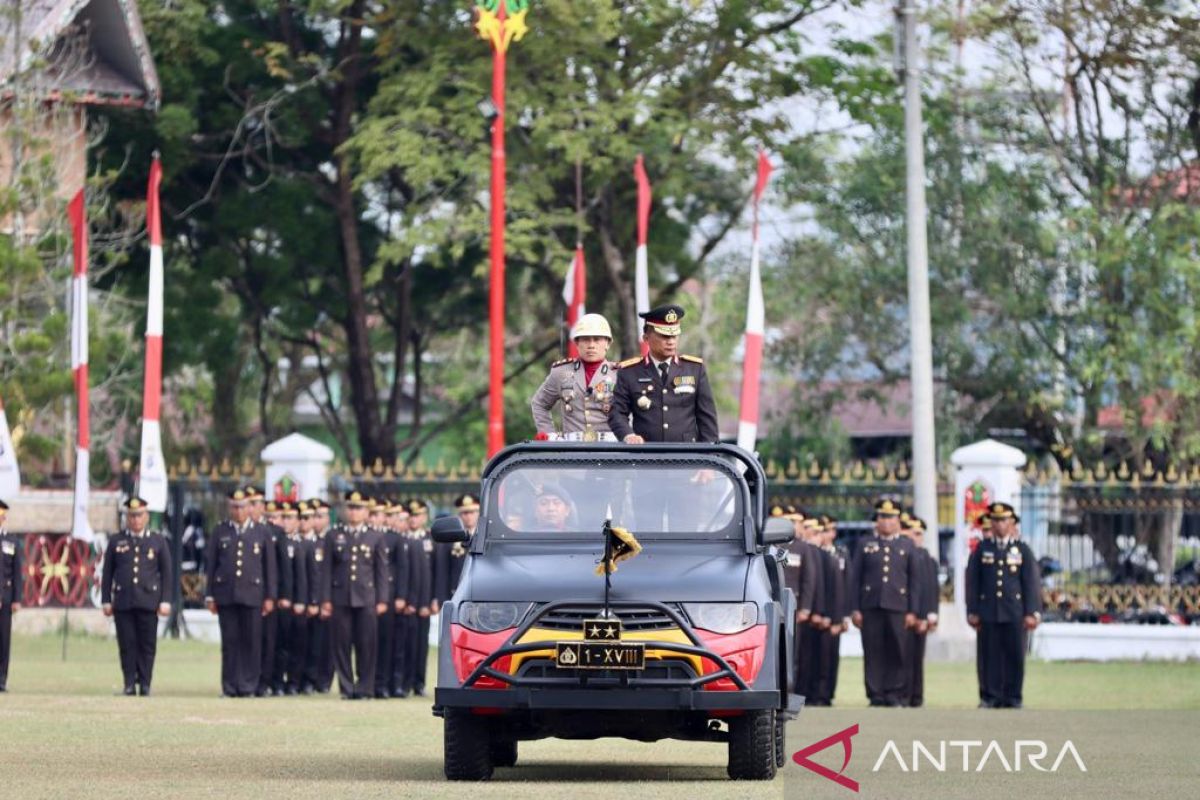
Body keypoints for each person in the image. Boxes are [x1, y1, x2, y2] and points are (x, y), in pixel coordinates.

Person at [608, 304, 718, 444]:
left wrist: (710, 459)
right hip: (646, 457)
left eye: (674, 335)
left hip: (687, 457)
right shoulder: (629, 372)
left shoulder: (694, 369)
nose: (671, 341)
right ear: (646, 338)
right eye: (664, 336)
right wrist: (628, 435)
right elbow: (617, 413)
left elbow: (707, 420)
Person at [967, 502, 1041, 709]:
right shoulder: (982, 549)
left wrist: (1032, 612)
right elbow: (973, 583)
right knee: (988, 657)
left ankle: (1013, 696)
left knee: (1015, 656)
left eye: (1003, 520)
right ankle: (989, 696)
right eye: (996, 520)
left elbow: (1031, 584)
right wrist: (972, 610)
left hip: (1015, 613)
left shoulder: (1022, 550)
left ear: (1012, 523)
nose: (999, 525)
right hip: (989, 613)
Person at [205, 488, 277, 698]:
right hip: (226, 594)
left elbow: (269, 568)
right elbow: (211, 566)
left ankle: (248, 686)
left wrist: (270, 596)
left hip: (253, 595)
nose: (238, 511)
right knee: (230, 642)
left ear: (250, 507)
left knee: (251, 642)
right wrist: (210, 595)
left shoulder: (261, 532)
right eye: (234, 507)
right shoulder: (221, 531)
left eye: (242, 506)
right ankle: (229, 686)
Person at [847, 498, 918, 707]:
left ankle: (895, 693)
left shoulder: (907, 545)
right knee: (873, 651)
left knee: (897, 651)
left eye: (891, 518)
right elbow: (855, 579)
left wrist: (913, 611)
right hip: (870, 606)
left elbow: (914, 581)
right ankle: (876, 694)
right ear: (876, 520)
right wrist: (855, 608)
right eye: (882, 517)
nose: (886, 522)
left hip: (898, 606)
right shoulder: (864, 544)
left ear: (898, 520)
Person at [101, 497, 173, 696]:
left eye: (139, 515)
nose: (135, 520)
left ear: (147, 516)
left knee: (147, 645)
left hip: (148, 601)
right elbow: (107, 573)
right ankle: (129, 683)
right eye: (131, 516)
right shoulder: (117, 541)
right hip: (124, 601)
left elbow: (167, 573)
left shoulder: (157, 541)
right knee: (127, 644)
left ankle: (146, 683)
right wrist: (106, 600)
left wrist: (165, 600)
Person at [321, 491, 388, 699]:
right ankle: (347, 688)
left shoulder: (376, 536)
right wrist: (325, 599)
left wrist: (382, 599)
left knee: (367, 645)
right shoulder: (334, 535)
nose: (354, 512)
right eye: (351, 507)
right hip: (340, 597)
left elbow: (381, 571)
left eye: (359, 508)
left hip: (366, 598)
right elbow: (326, 570)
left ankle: (365, 688)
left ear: (367, 511)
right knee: (341, 645)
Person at [531, 314, 620, 441]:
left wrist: (628, 437)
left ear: (608, 343)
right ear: (577, 343)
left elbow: (633, 410)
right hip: (572, 450)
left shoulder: (620, 374)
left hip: (611, 451)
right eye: (585, 339)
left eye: (597, 339)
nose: (591, 345)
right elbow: (539, 403)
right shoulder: (561, 372)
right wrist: (550, 435)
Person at [900, 514, 939, 708]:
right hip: (901, 614)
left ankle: (917, 696)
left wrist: (929, 615)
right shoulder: (901, 554)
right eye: (910, 533)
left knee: (916, 658)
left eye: (917, 533)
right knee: (901, 658)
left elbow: (930, 589)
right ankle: (903, 694)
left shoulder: (927, 559)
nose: (914, 537)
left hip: (920, 615)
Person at [399, 498, 434, 697]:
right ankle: (403, 682)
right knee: (404, 644)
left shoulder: (431, 540)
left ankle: (418, 683)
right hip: (405, 602)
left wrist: (432, 600)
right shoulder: (402, 539)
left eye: (418, 515)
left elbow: (437, 572)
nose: (414, 519)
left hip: (424, 602)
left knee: (421, 644)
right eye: (411, 516)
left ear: (425, 517)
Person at [813, 514, 849, 706]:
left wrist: (842, 617)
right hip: (817, 613)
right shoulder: (814, 554)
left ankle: (827, 695)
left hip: (835, 613)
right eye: (823, 530)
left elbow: (846, 587)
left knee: (830, 658)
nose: (827, 534)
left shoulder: (841, 554)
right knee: (814, 657)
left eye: (829, 530)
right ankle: (815, 694)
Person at [433, 494, 477, 607]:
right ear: (459, 515)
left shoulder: (485, 537)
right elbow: (442, 571)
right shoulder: (451, 538)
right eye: (465, 513)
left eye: (472, 512)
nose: (469, 517)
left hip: (479, 594)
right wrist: (441, 599)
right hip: (455, 594)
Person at [0, 499, 24, 692]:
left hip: (5, 599)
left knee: (3, 640)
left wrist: (17, 599)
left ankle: (1, 679)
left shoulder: (12, 542)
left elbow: (17, 573)